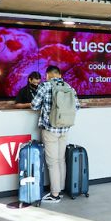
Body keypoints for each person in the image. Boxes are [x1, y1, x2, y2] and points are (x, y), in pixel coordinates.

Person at [30, 65, 80, 203]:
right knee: (60, 159)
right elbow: (77, 107)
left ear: (47, 75)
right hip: (65, 129)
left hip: (50, 129)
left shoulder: (45, 86)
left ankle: (55, 194)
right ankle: (61, 189)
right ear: (59, 75)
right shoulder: (69, 87)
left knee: (52, 163)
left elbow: (34, 105)